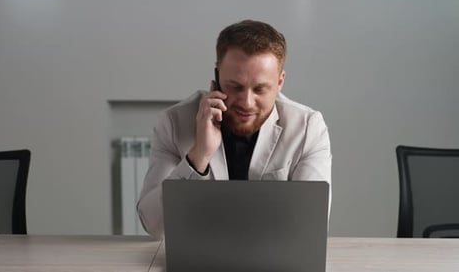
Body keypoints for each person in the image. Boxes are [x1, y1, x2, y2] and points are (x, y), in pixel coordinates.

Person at [137, 19, 331, 240]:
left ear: (279, 82)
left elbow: (309, 225)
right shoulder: (173, 123)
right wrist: (199, 155)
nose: (247, 102)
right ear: (217, 78)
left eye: (260, 89)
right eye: (235, 87)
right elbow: (154, 225)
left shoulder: (307, 128)